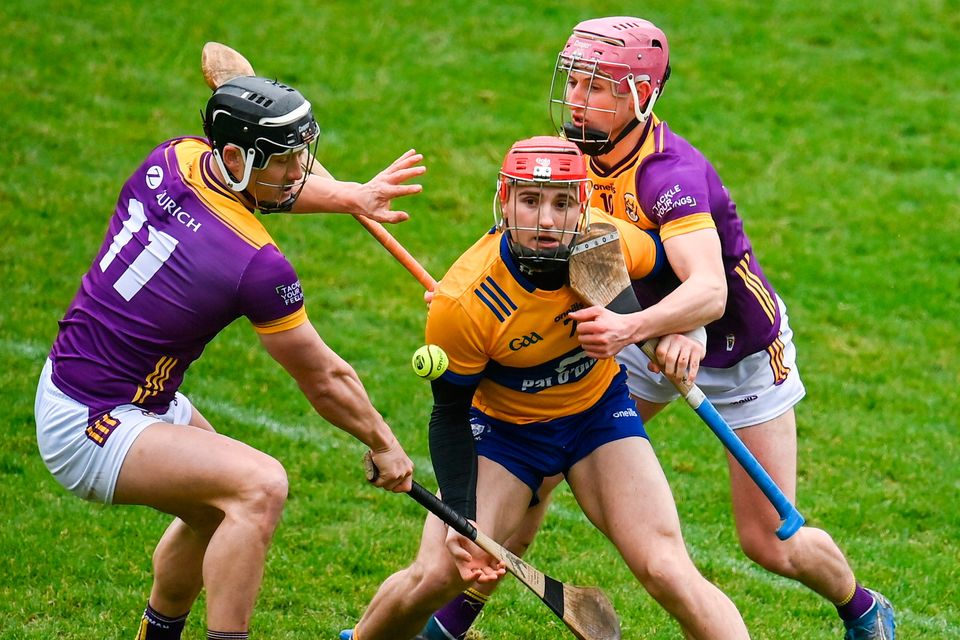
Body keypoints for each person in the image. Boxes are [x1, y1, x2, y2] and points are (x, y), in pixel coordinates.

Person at [418, 16, 895, 640]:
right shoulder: (574, 162)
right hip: (637, 334)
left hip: (738, 353)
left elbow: (708, 291)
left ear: (640, 95)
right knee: (542, 460)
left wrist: (649, 329)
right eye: (577, 82)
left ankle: (861, 607)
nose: (579, 99)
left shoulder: (669, 175)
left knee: (767, 543)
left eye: (599, 87)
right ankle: (451, 619)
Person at [34, 76, 424, 640]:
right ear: (237, 156)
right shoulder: (256, 266)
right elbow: (324, 378)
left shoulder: (176, 157)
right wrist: (384, 443)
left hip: (100, 385)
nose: (299, 174)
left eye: (300, 158)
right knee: (258, 486)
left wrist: (351, 197)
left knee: (215, 511)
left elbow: (242, 182)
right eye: (284, 161)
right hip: (92, 420)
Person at [339, 136, 751, 640]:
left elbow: (676, 275)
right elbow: (448, 417)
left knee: (667, 568)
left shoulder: (603, 242)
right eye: (531, 201)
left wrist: (686, 330)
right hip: (504, 437)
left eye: (562, 203)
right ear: (505, 201)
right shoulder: (466, 301)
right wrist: (463, 521)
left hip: (597, 416)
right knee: (435, 576)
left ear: (583, 204)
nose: (546, 220)